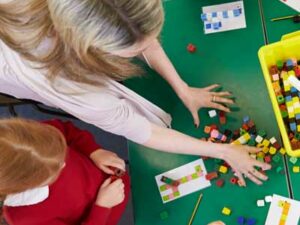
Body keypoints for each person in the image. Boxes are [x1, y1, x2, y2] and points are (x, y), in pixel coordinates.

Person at [0, 0, 271, 185]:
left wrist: (183, 88)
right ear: (91, 45)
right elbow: (143, 131)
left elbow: (135, 30)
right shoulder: (76, 90)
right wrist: (224, 152)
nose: (148, 45)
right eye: (129, 51)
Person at [0, 118, 129, 225]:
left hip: (108, 174)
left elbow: (65, 130)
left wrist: (94, 151)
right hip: (110, 209)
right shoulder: (25, 220)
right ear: (25, 185)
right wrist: (102, 207)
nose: (64, 163)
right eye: (53, 172)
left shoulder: (33, 137)